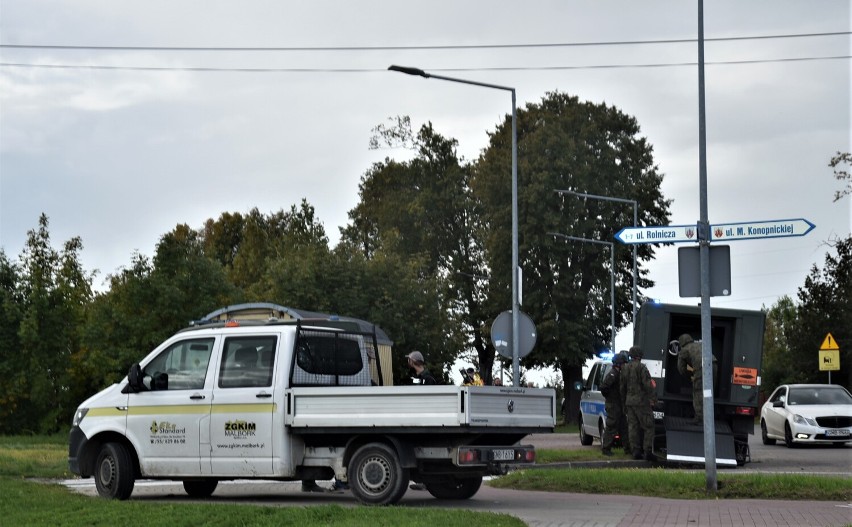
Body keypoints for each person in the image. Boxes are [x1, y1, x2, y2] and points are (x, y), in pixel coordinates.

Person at [620, 346, 656, 461]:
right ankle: (648, 451)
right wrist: (654, 399)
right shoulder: (642, 367)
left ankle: (635, 451)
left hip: (629, 402)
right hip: (642, 402)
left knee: (633, 427)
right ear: (640, 355)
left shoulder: (624, 368)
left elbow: (622, 388)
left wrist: (624, 403)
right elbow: (648, 385)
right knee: (648, 426)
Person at [674, 333, 717, 424]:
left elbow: (681, 368)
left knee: (697, 392)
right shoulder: (700, 344)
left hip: (702, 368)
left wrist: (690, 377)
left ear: (682, 343)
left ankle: (699, 418)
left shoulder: (684, 350)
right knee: (709, 391)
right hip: (714, 365)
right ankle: (709, 416)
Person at [600, 351, 629, 456]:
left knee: (624, 427)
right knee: (611, 427)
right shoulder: (613, 374)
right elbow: (604, 387)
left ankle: (628, 449)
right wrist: (610, 397)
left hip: (619, 406)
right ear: (619, 364)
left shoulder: (618, 374)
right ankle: (606, 448)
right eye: (624, 363)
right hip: (613, 405)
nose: (624, 366)